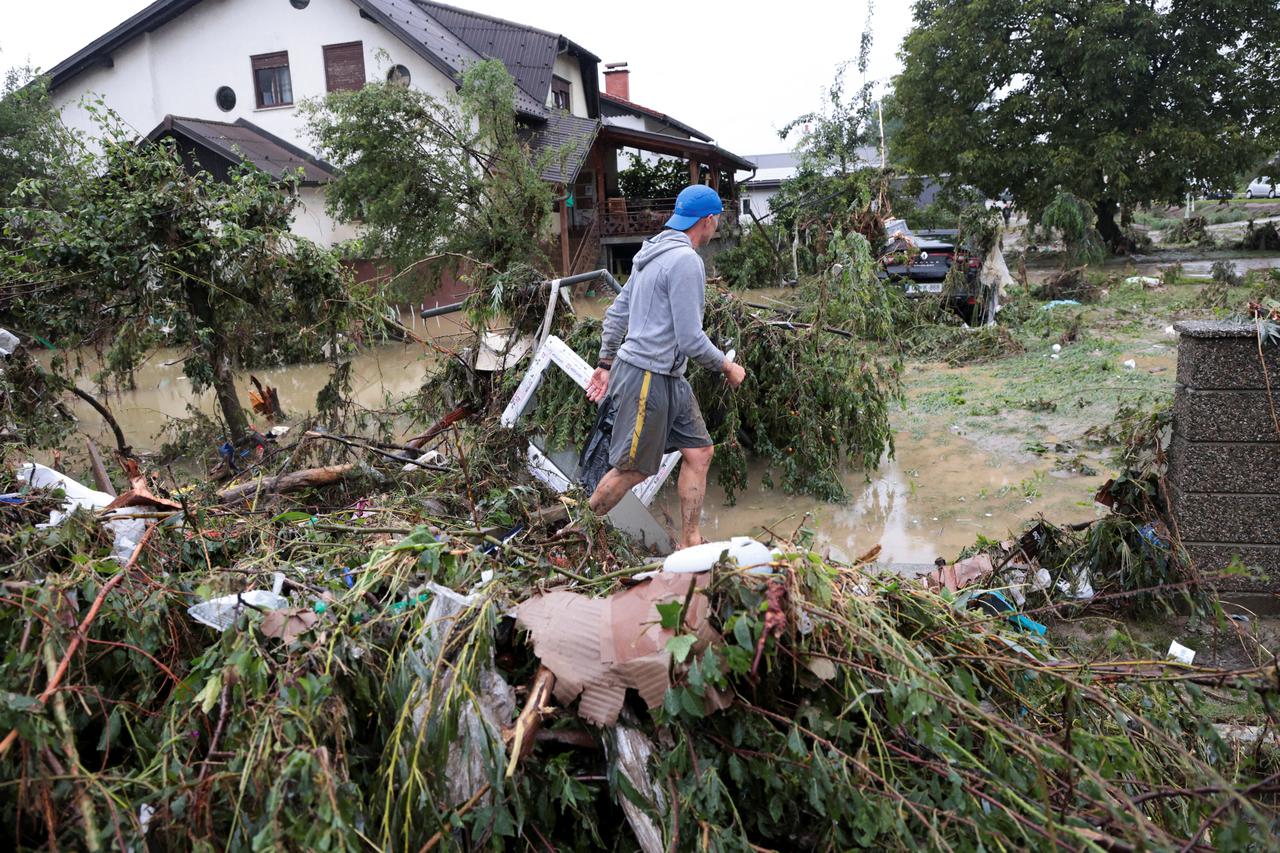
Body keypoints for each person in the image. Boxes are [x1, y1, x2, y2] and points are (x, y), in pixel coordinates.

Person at [585, 184, 747, 548]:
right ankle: (583, 524)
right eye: (716, 220)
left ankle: (690, 540)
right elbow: (691, 339)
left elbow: (614, 315)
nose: (716, 226)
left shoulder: (650, 252)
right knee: (636, 468)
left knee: (700, 451)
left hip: (670, 376)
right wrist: (727, 367)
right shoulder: (686, 260)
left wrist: (606, 362)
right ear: (707, 220)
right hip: (647, 375)